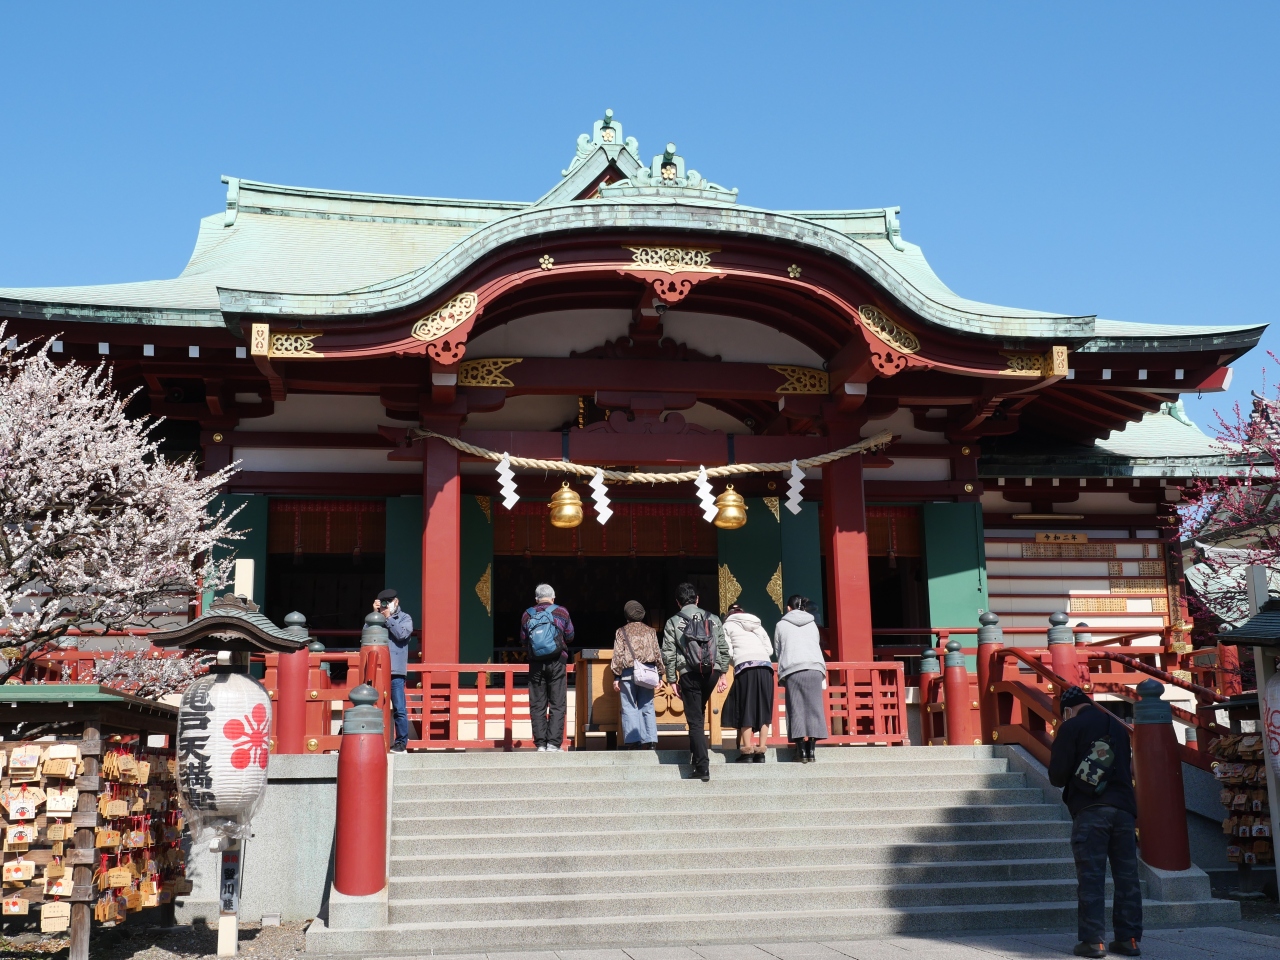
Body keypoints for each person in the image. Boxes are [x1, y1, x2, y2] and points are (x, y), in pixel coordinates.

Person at [1048, 685, 1142, 958]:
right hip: (1124, 811)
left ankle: (1094, 941)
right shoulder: (1119, 728)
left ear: (1068, 710)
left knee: (1091, 876)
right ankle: (1129, 939)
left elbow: (1057, 776)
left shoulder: (1071, 727)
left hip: (1091, 810)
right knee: (1127, 877)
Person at [661, 582, 730, 782]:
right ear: (697, 599)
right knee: (698, 712)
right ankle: (696, 757)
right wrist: (723, 672)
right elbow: (724, 649)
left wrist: (672, 679)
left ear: (677, 602)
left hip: (689, 673)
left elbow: (668, 653)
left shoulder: (673, 622)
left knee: (695, 721)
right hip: (712, 674)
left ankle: (702, 766)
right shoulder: (714, 619)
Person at [519, 583, 575, 752]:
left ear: (536, 599)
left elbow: (523, 639)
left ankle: (541, 744)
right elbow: (570, 635)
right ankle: (553, 744)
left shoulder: (527, 614)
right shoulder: (562, 612)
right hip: (557, 661)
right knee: (557, 703)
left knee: (537, 704)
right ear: (553, 597)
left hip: (536, 663)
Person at [773, 595, 828, 763]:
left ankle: (800, 751)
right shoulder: (812, 623)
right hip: (814, 667)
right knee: (814, 707)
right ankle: (811, 750)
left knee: (795, 707)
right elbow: (816, 643)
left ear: (788, 608)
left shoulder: (781, 625)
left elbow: (778, 649)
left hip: (793, 668)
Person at [720, 603, 775, 763]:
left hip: (746, 667)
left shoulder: (727, 625)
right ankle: (761, 751)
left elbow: (727, 650)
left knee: (746, 706)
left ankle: (747, 751)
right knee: (764, 707)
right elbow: (769, 650)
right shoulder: (756, 624)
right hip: (766, 666)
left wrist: (736, 660)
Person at [609, 600, 662, 749]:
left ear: (627, 615)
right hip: (647, 673)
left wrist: (616, 676)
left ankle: (634, 740)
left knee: (629, 706)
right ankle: (650, 740)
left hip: (627, 674)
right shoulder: (650, 631)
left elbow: (618, 655)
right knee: (647, 705)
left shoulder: (621, 631)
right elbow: (658, 653)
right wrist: (661, 675)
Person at [373, 588, 414, 753]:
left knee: (399, 708)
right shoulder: (376, 617)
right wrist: (374, 614)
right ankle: (374, 741)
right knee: (374, 706)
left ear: (396, 602)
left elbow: (402, 635)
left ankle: (401, 743)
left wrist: (388, 617)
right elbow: (365, 633)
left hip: (395, 671)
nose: (386, 605)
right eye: (383, 602)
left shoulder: (405, 618)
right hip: (378, 669)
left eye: (389, 601)